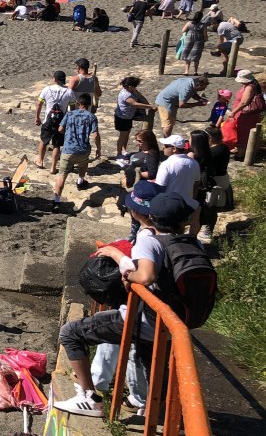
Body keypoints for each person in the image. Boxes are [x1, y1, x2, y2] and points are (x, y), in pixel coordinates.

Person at [55, 192, 192, 417]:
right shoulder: (190, 243)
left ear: (151, 217)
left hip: (147, 318)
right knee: (150, 361)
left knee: (70, 333)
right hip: (176, 321)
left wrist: (124, 268)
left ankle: (89, 398)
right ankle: (149, 406)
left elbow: (145, 276)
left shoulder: (150, 240)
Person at [52, 93, 100, 213]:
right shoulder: (92, 117)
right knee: (83, 164)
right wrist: (98, 149)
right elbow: (95, 135)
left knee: (62, 175)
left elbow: (60, 129)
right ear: (89, 104)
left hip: (68, 149)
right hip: (83, 149)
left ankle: (57, 201)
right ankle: (80, 181)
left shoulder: (69, 114)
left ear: (78, 103)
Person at [155, 134, 202, 235]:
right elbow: (196, 183)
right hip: (187, 203)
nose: (163, 148)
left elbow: (159, 187)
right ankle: (191, 239)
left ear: (174, 149)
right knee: (188, 223)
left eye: (166, 146)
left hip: (169, 204)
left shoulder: (166, 164)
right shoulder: (194, 163)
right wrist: (192, 198)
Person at [35, 70, 74, 173]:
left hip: (48, 121)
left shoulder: (47, 89)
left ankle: (40, 161)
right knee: (57, 145)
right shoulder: (69, 91)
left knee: (43, 141)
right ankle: (53, 167)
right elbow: (72, 109)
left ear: (55, 79)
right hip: (61, 122)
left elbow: (39, 104)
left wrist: (37, 117)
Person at [223, 70, 264, 155]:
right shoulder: (252, 84)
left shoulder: (250, 87)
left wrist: (233, 112)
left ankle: (241, 153)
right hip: (245, 114)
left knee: (243, 132)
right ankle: (240, 149)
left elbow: (244, 102)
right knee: (242, 131)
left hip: (246, 115)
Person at [113, 77, 154, 157]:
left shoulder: (132, 90)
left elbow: (140, 97)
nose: (135, 87)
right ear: (129, 86)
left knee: (127, 134)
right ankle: (119, 153)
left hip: (128, 117)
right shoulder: (125, 94)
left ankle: (124, 150)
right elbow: (135, 104)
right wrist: (150, 107)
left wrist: (147, 104)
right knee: (123, 135)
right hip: (122, 118)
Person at [179, 11, 207, 75]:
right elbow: (205, 34)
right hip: (199, 40)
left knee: (187, 54)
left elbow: (183, 30)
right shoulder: (203, 25)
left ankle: (186, 71)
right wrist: (205, 39)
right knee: (196, 56)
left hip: (189, 39)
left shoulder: (189, 23)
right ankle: (195, 71)